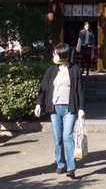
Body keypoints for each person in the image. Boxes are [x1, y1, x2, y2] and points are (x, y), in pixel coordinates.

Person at [34, 43, 85, 180]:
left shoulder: (75, 70)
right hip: (54, 108)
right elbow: (43, 88)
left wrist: (81, 108)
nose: (53, 57)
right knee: (57, 138)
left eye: (55, 54)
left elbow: (80, 90)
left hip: (70, 107)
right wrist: (39, 104)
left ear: (62, 56)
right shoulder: (51, 71)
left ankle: (71, 167)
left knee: (67, 136)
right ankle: (60, 163)